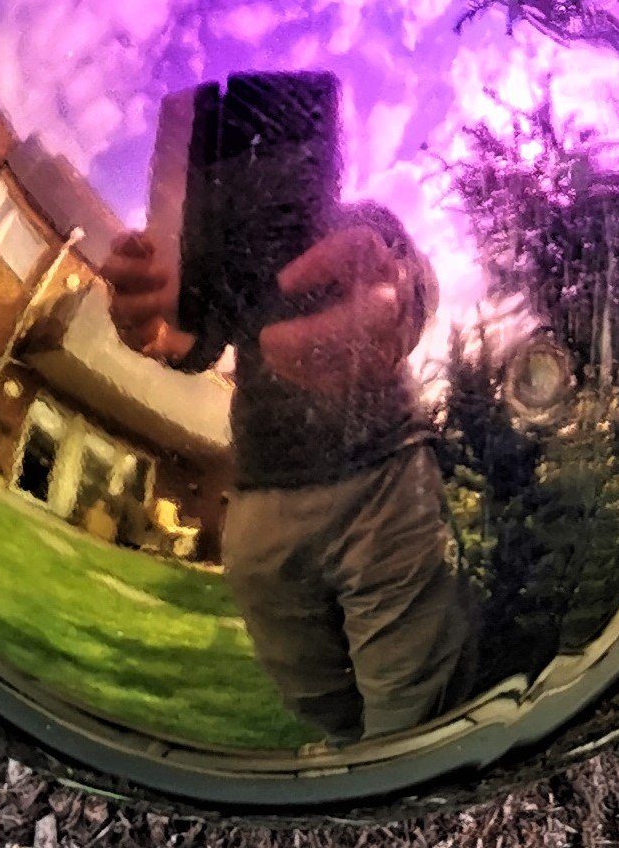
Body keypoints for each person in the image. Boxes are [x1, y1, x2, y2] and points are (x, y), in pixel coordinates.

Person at [101, 200, 476, 743]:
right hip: (263, 498)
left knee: (414, 710)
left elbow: (409, 288)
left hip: (382, 480)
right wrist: (154, 324)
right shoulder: (239, 231)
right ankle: (355, 782)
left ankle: (400, 786)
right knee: (310, 695)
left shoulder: (370, 219)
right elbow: (193, 340)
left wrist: (402, 291)